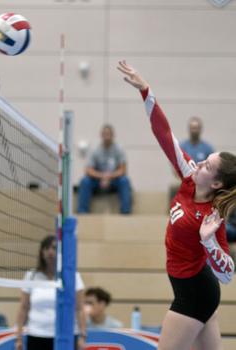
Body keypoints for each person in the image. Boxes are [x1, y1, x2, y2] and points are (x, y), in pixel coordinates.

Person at [117, 60, 235, 350]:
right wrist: (146, 90)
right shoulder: (189, 177)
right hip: (190, 285)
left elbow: (228, 274)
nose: (200, 164)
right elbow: (164, 135)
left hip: (194, 293)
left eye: (207, 165)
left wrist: (209, 243)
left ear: (217, 184)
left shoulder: (213, 217)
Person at [15, 235, 86, 350]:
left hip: (66, 336)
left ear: (60, 252)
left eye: (54, 248)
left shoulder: (73, 276)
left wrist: (83, 336)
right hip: (37, 335)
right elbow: (23, 308)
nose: (50, 252)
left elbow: (79, 309)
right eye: (46, 248)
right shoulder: (31, 276)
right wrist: (18, 337)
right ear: (41, 252)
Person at [77, 124, 132, 214]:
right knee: (85, 181)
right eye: (105, 134)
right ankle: (83, 211)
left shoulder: (119, 149)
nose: (107, 136)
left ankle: (125, 211)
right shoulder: (95, 150)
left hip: (114, 180)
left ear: (113, 135)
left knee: (124, 180)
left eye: (109, 134)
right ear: (101, 135)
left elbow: (123, 170)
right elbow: (88, 170)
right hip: (98, 180)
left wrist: (109, 177)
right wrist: (102, 176)